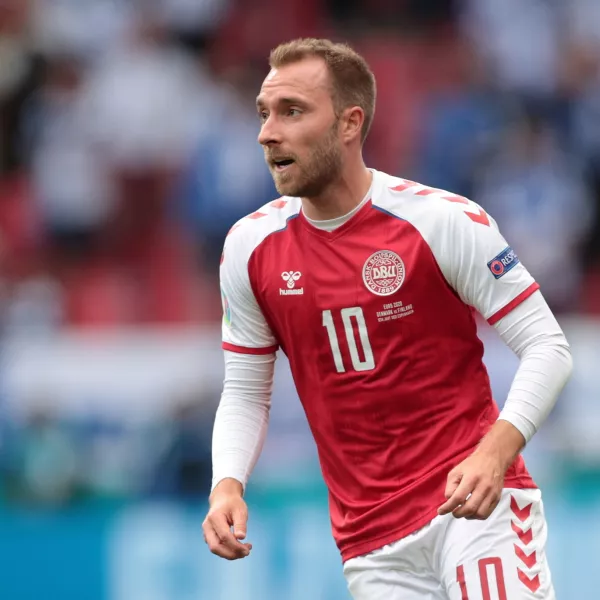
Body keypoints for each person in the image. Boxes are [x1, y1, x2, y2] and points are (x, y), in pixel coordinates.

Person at [203, 38, 572, 600]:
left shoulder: (440, 221)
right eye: (264, 113)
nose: (267, 132)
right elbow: (247, 389)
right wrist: (227, 485)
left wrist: (495, 452)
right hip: (370, 546)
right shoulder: (250, 247)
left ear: (350, 123)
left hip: (475, 511)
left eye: (292, 111)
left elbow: (548, 346)